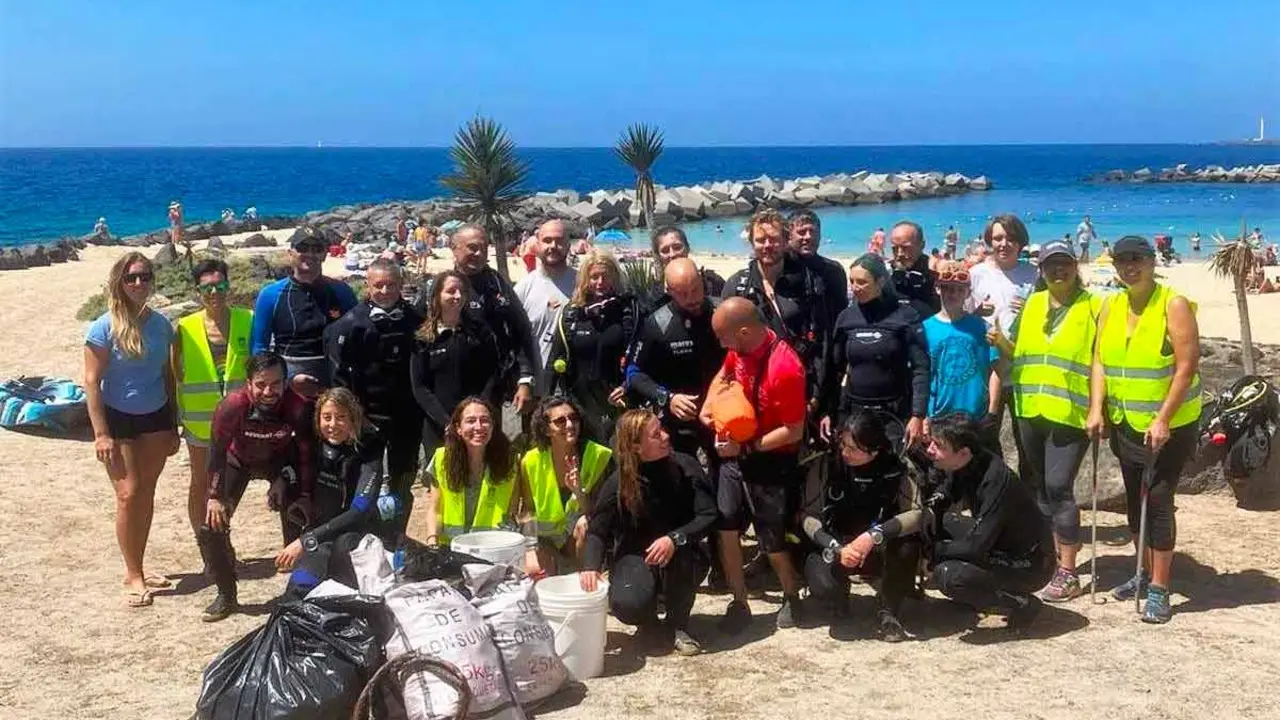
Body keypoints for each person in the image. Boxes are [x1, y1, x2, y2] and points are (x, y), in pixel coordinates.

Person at [1089, 235, 1201, 624]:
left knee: (1157, 500)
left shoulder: (1173, 303)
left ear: (1152, 261)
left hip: (1169, 425)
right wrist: (1096, 407)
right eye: (1122, 261)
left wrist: (1164, 417)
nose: (1129, 266)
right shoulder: (1111, 304)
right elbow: (1100, 361)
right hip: (1126, 423)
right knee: (1134, 501)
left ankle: (1160, 586)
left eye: (1136, 259)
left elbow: (1187, 366)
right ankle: (1141, 570)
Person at [989, 241, 1101, 602]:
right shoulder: (1034, 303)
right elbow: (1018, 353)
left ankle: (1069, 571)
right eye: (1050, 265)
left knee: (1058, 487)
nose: (1058, 271)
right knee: (1036, 486)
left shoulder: (1094, 306)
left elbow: (1104, 360)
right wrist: (1000, 341)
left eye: (1064, 264)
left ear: (1075, 266)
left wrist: (1100, 408)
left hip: (1070, 413)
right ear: (1040, 269)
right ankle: (1045, 557)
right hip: (1030, 408)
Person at [702, 298, 807, 631]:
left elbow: (794, 430)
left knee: (771, 539)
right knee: (727, 527)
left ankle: (792, 595)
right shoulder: (741, 349)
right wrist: (709, 407)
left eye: (723, 338)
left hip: (772, 460)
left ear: (744, 332)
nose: (721, 345)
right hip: (736, 454)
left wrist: (745, 447)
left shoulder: (785, 368)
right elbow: (722, 375)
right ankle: (739, 601)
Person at [580, 410, 718, 656]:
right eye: (656, 435)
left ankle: (678, 624)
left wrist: (675, 539)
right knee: (626, 604)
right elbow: (597, 531)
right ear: (636, 447)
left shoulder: (685, 466)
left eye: (662, 429)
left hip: (682, 551)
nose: (666, 436)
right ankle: (649, 622)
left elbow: (708, 515)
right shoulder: (619, 482)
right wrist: (591, 566)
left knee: (682, 557)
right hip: (636, 555)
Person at [84, 252, 179, 608]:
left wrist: (173, 425)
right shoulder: (102, 326)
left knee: (146, 493)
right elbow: (91, 382)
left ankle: (138, 564)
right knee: (128, 494)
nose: (139, 283)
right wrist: (100, 433)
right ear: (119, 282)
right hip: (117, 419)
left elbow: (168, 378)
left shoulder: (162, 325)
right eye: (131, 278)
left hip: (155, 416)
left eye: (145, 276)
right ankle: (132, 573)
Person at [199, 352, 317, 621]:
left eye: (276, 384)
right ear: (248, 383)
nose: (268, 391)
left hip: (281, 464)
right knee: (211, 525)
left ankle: (299, 593)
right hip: (238, 460)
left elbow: (307, 454)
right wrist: (214, 496)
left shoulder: (297, 406)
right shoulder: (231, 406)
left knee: (300, 515)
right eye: (261, 384)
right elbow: (216, 452)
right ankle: (226, 594)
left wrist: (303, 493)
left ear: (286, 382)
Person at [925, 413, 1055, 630]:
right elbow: (946, 494)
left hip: (1029, 563)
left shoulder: (995, 480)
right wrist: (929, 512)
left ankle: (1021, 603)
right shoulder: (967, 462)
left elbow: (975, 547)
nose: (930, 450)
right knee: (937, 523)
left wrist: (932, 551)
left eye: (937, 446)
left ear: (963, 452)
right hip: (997, 542)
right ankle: (974, 596)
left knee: (949, 575)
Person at [801, 412, 923, 641]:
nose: (845, 453)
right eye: (843, 445)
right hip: (837, 544)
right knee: (822, 584)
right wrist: (836, 547)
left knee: (909, 546)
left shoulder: (896, 467)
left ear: (874, 451)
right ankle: (838, 599)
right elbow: (808, 517)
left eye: (853, 449)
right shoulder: (827, 465)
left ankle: (889, 609)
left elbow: (916, 515)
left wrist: (873, 536)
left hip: (878, 546)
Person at [325, 258, 423, 535]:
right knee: (366, 478)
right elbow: (339, 379)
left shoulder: (417, 321)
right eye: (378, 285)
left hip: (407, 417)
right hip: (367, 418)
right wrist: (352, 420)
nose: (385, 291)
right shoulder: (349, 325)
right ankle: (363, 534)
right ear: (367, 286)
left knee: (403, 479)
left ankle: (396, 533)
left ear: (401, 285)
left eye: (391, 285)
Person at [413, 224, 539, 416]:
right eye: (472, 247)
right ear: (454, 248)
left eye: (483, 247)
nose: (479, 253)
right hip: (443, 389)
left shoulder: (497, 284)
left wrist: (525, 379)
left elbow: (520, 331)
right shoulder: (434, 288)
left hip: (491, 388)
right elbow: (415, 336)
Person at [276, 388, 391, 594]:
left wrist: (306, 540)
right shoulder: (312, 445)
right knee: (298, 589)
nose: (332, 425)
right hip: (320, 538)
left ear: (353, 419)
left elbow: (359, 512)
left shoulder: (368, 450)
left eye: (341, 418)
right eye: (326, 417)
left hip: (353, 537)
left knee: (345, 589)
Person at [173, 259, 252, 539]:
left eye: (220, 285)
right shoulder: (184, 327)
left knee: (231, 481)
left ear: (229, 285)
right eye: (207, 288)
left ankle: (221, 536)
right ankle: (207, 545)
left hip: (239, 419)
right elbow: (173, 374)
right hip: (199, 421)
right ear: (197, 291)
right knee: (202, 482)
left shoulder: (248, 320)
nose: (214, 292)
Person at [820, 254, 929, 450]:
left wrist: (917, 415)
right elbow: (834, 370)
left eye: (862, 282)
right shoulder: (846, 317)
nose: (855, 287)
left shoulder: (905, 316)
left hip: (893, 413)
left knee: (892, 470)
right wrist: (828, 411)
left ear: (880, 282)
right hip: (854, 410)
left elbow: (920, 368)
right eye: (852, 281)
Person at [625, 258, 727, 461]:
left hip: (721, 415)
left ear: (702, 280)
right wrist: (667, 398)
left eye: (695, 289)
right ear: (669, 290)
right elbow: (633, 374)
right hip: (680, 419)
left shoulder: (722, 312)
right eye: (682, 293)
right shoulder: (657, 324)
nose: (691, 298)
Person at [724, 209, 831, 401]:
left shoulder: (807, 281)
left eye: (773, 239)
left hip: (799, 385)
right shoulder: (737, 286)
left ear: (785, 241)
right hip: (755, 390)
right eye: (760, 240)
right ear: (751, 243)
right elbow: (726, 344)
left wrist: (817, 394)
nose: (767, 246)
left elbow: (821, 339)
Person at [544, 250, 640, 444]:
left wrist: (628, 385)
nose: (600, 282)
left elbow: (642, 358)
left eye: (605, 276)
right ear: (585, 280)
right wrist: (546, 404)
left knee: (621, 461)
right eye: (594, 277)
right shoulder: (572, 315)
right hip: (581, 404)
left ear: (614, 277)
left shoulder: (628, 312)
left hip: (619, 402)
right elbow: (555, 358)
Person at [250, 226, 358, 395]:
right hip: (288, 388)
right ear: (290, 252)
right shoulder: (271, 295)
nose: (310, 254)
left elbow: (358, 338)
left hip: (335, 384)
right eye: (303, 248)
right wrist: (287, 381)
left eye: (317, 249)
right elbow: (259, 349)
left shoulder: (341, 291)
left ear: (325, 254)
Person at [410, 269, 502, 456]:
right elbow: (420, 386)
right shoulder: (423, 337)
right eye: (451, 291)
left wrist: (478, 413)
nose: (458, 296)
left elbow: (493, 373)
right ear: (437, 295)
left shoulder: (480, 331)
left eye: (462, 291)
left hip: (477, 424)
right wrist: (447, 423)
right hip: (439, 426)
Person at [521, 397, 615, 574]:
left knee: (585, 524)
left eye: (574, 418)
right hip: (546, 540)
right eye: (560, 421)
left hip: (579, 539)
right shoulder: (530, 461)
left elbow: (600, 516)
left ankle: (585, 578)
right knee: (538, 577)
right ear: (546, 429)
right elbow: (528, 511)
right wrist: (530, 550)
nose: (570, 425)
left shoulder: (598, 457)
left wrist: (578, 491)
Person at [970, 214, 1039, 425]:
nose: (1004, 244)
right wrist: (976, 313)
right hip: (988, 370)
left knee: (1027, 441)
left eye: (1011, 238)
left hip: (1024, 370)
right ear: (990, 241)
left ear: (1020, 242)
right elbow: (960, 319)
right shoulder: (976, 273)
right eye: (998, 238)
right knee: (986, 435)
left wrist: (1031, 310)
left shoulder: (1034, 273)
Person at [422, 397, 519, 545]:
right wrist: (432, 541)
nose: (479, 427)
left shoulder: (510, 462)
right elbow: (435, 510)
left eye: (485, 420)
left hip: (493, 547)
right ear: (458, 428)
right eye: (471, 421)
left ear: (493, 426)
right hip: (451, 548)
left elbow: (512, 513)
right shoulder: (442, 459)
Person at [922, 261, 998, 424]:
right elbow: (923, 374)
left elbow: (994, 371)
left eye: (959, 290)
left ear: (968, 293)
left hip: (975, 414)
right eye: (947, 288)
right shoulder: (925, 328)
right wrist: (923, 414)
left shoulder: (983, 327)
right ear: (937, 289)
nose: (953, 294)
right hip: (938, 413)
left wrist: (992, 412)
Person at [516, 219, 578, 373]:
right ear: (537, 246)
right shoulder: (523, 288)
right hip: (535, 384)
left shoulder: (583, 284)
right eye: (547, 241)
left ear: (568, 245)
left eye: (559, 241)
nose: (553, 246)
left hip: (574, 384)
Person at [787, 210, 850, 326]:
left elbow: (842, 312)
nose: (808, 237)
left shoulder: (833, 270)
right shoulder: (779, 270)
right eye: (801, 232)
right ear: (789, 236)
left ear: (820, 236)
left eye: (813, 232)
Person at [644, 226, 726, 311]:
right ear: (658, 256)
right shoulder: (655, 294)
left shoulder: (713, 282)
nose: (672, 254)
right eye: (665, 250)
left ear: (687, 248)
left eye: (677, 247)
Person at [889, 220, 940, 315]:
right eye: (894, 248)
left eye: (905, 248)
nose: (899, 254)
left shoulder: (934, 273)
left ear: (922, 245)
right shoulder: (884, 274)